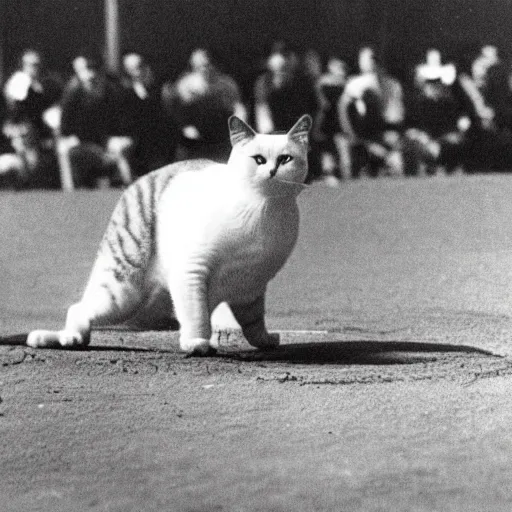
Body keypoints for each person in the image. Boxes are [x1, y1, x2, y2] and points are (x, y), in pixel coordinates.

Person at [59, 50, 133, 188]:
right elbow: (65, 127)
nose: (91, 77)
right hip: (79, 141)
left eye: (95, 71)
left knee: (122, 148)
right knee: (64, 150)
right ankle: (70, 193)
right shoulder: (71, 94)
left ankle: (127, 188)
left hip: (105, 141)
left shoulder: (110, 92)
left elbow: (117, 124)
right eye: (87, 71)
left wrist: (115, 138)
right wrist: (73, 138)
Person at [162, 48, 247, 162]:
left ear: (213, 64)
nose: (203, 69)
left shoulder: (227, 83)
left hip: (222, 132)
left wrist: (240, 127)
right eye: (198, 66)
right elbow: (177, 112)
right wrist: (185, 126)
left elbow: (238, 107)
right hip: (197, 136)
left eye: (206, 65)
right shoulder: (184, 85)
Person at [253, 44, 320, 181]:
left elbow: (315, 107)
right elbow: (263, 112)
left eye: (286, 56)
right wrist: (269, 137)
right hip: (276, 137)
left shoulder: (303, 82)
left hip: (300, 136)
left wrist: (312, 131)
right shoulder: (264, 83)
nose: (282, 62)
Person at [338, 46, 405, 178]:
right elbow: (344, 111)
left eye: (370, 59)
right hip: (362, 136)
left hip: (383, 133)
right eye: (363, 59)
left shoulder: (391, 84)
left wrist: (393, 132)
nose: (366, 62)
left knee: (396, 159)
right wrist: (352, 135)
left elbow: (395, 114)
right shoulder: (354, 84)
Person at [2, 49, 61, 188]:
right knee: (26, 164)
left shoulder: (39, 84)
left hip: (36, 133)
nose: (35, 68)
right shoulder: (19, 81)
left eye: (37, 64)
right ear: (23, 65)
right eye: (31, 64)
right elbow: (15, 109)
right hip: (20, 132)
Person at [120, 52, 175, 177]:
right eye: (132, 69)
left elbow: (166, 116)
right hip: (135, 139)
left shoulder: (160, 89)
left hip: (159, 138)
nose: (139, 72)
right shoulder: (124, 92)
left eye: (141, 66)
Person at [313, 57, 350, 182]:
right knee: (331, 152)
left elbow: (323, 105)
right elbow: (323, 105)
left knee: (336, 151)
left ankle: (340, 175)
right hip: (332, 123)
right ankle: (335, 175)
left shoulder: (322, 83)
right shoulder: (326, 84)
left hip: (334, 123)